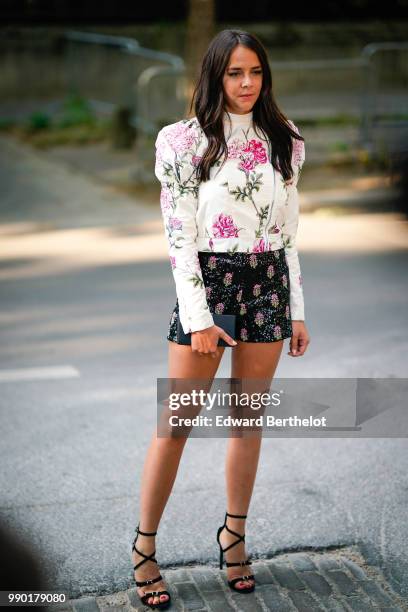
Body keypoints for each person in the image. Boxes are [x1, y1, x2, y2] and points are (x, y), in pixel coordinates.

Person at [131, 28, 311, 610]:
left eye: (255, 72)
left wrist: (297, 311)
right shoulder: (183, 142)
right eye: (234, 73)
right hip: (209, 285)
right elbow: (179, 239)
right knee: (176, 424)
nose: (246, 84)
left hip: (268, 288)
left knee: (247, 423)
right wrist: (200, 318)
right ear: (215, 75)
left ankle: (234, 540)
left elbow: (289, 235)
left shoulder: (284, 139)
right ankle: (145, 548)